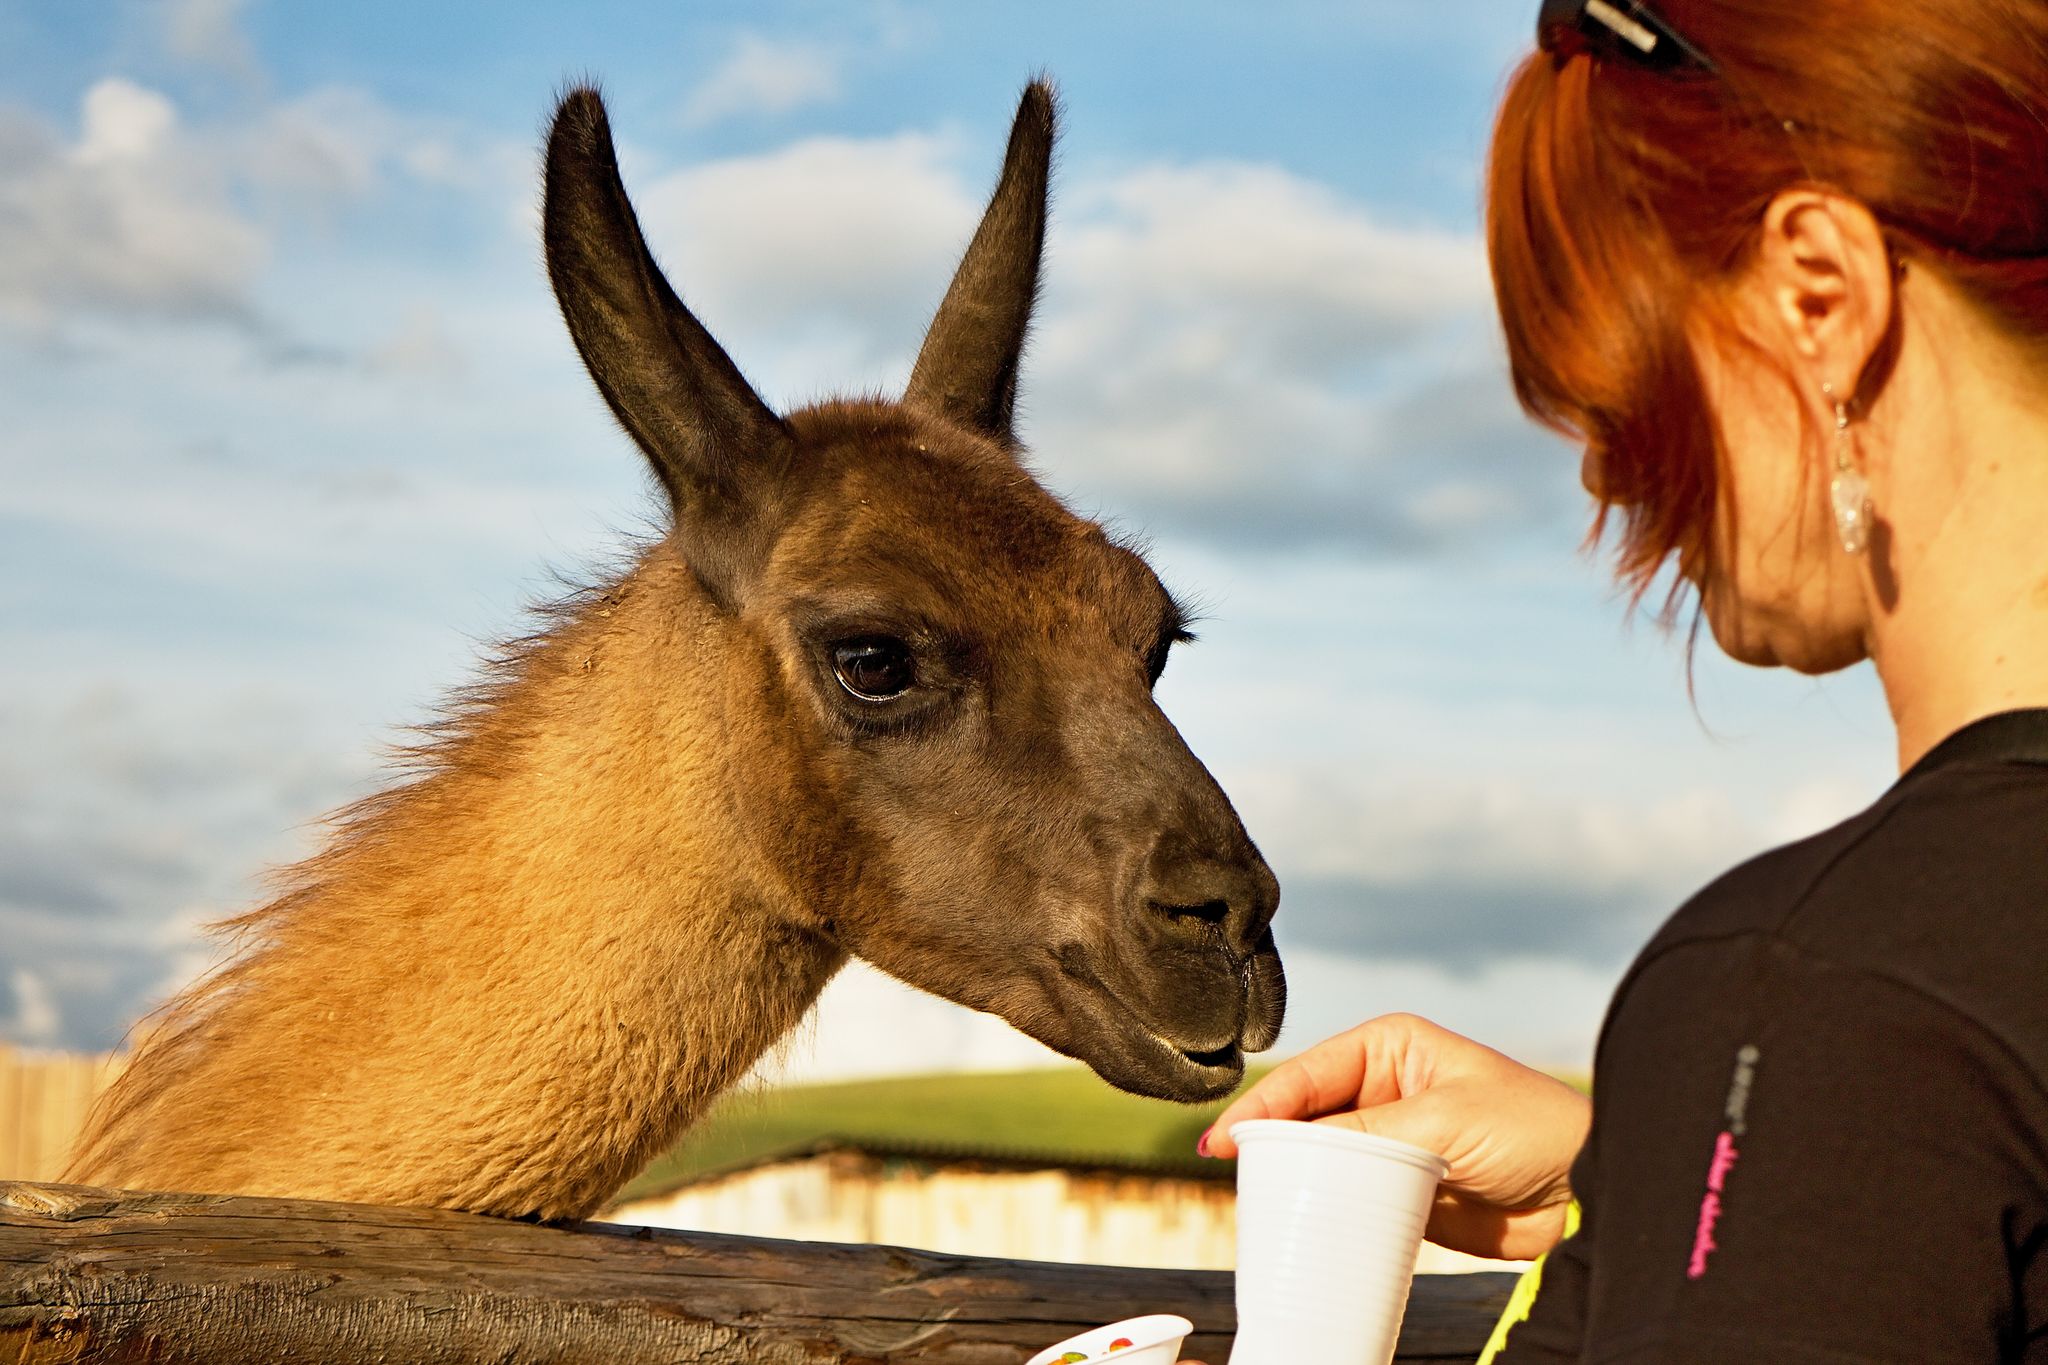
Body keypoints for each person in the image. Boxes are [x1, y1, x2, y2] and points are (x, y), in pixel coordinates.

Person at [1189, 0, 2048, 1358]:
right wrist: (1655, 1174)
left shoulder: (1825, 987)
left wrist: (1761, 1095)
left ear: (1820, 299)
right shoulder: (1901, 1031)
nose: (1602, 468)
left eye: (1620, 385)